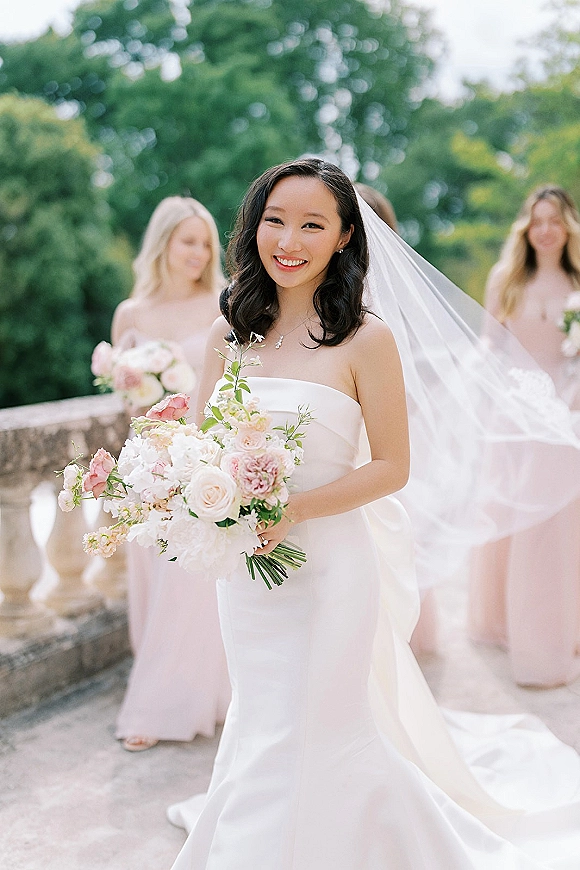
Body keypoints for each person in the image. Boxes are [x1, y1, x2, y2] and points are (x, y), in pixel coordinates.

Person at [167, 159, 580, 869]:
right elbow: (200, 444)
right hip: (247, 574)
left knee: (329, 724)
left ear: (344, 237)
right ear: (253, 226)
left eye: (311, 224)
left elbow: (393, 466)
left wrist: (295, 508)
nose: (288, 240)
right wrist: (191, 490)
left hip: (333, 570)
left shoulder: (366, 339)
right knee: (264, 719)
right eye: (274, 219)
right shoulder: (224, 335)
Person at [111, 196, 231, 751]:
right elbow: (124, 398)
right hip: (146, 458)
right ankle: (165, 692)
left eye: (206, 242)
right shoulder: (131, 314)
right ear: (163, 244)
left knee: (197, 582)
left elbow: (235, 384)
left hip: (202, 453)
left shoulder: (223, 303)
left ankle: (199, 701)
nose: (200, 252)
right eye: (189, 240)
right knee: (157, 583)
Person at [469, 185, 580, 687]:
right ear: (526, 228)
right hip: (517, 411)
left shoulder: (578, 279)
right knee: (515, 517)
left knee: (561, 520)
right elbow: (490, 344)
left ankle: (562, 624)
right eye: (537, 220)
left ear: (568, 226)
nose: (546, 229)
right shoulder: (507, 277)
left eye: (554, 219)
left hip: (570, 408)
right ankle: (507, 621)